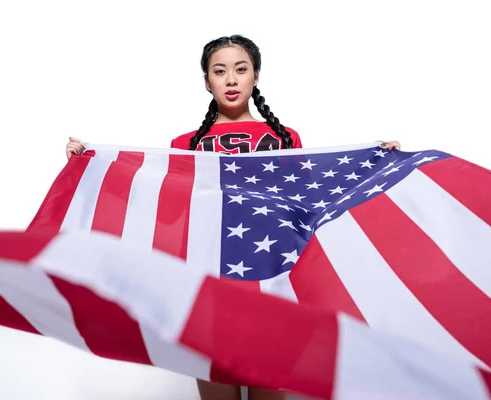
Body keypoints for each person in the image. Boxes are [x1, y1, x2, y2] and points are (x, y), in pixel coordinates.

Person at [65, 34, 400, 399]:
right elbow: (164, 208)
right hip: (208, 289)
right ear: (206, 81)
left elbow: (311, 203)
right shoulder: (185, 144)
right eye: (219, 71)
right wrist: (91, 162)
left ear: (256, 76)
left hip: (272, 284)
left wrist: (376, 160)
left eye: (240, 70)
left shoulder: (286, 138)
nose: (230, 79)